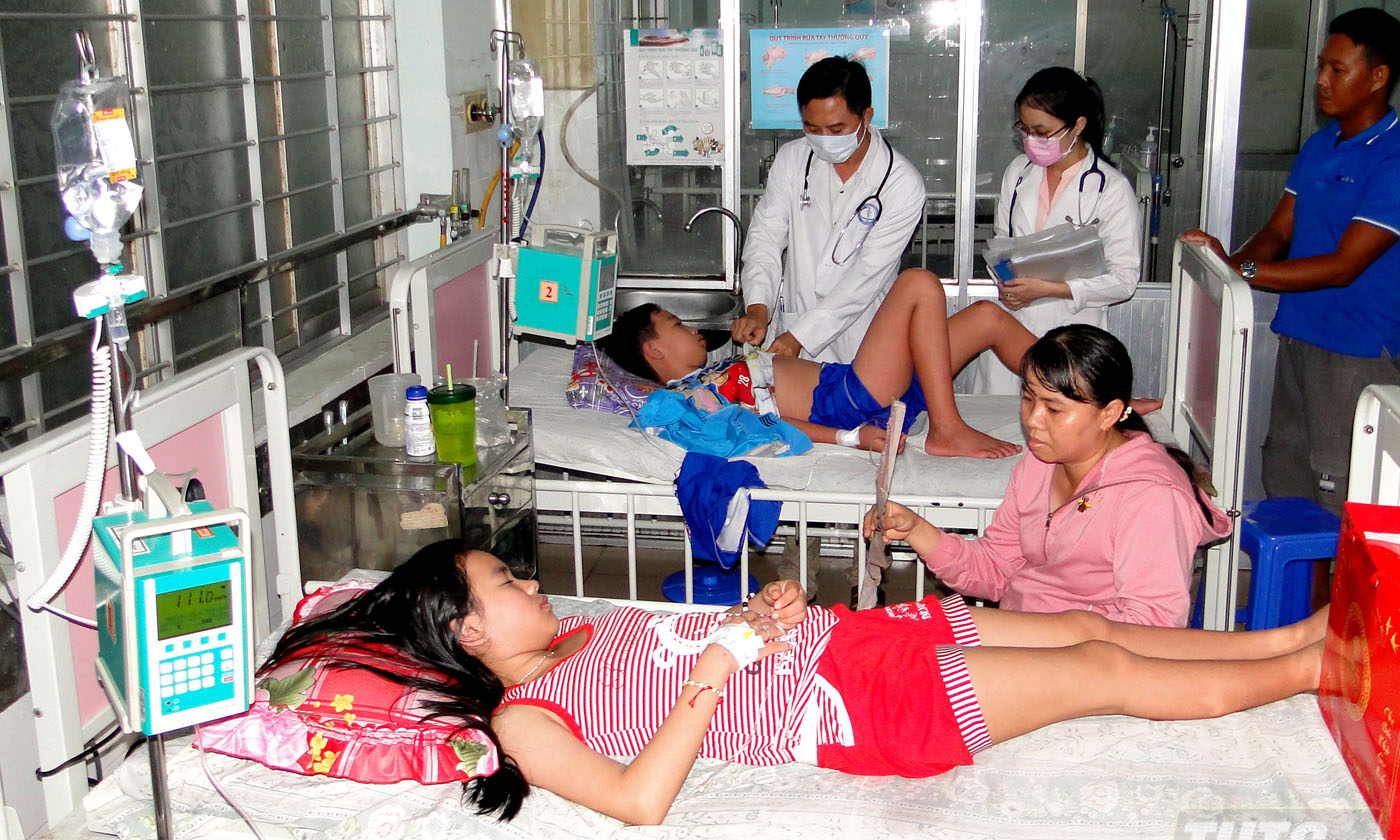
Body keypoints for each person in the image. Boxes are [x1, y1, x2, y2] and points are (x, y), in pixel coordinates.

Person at [261, 540, 1326, 825]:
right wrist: (722, 669)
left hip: (848, 643)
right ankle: (1309, 669)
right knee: (1098, 670)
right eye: (506, 582)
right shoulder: (529, 723)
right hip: (857, 710)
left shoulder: (586, 630)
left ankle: (1294, 635)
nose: (531, 583)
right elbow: (638, 803)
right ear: (466, 629)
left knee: (1088, 628)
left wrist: (746, 619)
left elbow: (688, 646)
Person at [1180, 7, 1400, 515]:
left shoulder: (1392, 158)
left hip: (1356, 354)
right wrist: (1225, 265)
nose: (1321, 80)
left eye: (1337, 69)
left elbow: (1344, 266)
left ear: (1377, 77)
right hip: (1300, 336)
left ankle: (1334, 598)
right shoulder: (1322, 145)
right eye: (1321, 66)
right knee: (1288, 480)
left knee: (1341, 492)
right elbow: (1281, 229)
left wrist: (1245, 272)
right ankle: (1300, 596)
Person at [867, 325, 1230, 627]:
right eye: (1028, 399)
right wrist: (916, 529)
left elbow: (1152, 626)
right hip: (1029, 635)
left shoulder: (1151, 498)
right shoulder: (1040, 464)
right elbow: (995, 571)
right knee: (890, 641)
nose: (1032, 421)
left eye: (1054, 409)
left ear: (1110, 414)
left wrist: (1033, 639)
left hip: (1089, 660)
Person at [606, 268, 1033, 458]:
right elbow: (767, 427)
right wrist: (848, 437)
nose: (694, 330)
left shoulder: (710, 376)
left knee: (987, 317)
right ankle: (947, 428)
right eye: (677, 325)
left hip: (858, 386)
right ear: (654, 352)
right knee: (918, 284)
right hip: (845, 400)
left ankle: (1086, 394)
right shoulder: (689, 399)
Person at [732, 56, 925, 364]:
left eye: (836, 129)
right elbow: (765, 237)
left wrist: (801, 336)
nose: (823, 140)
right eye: (812, 128)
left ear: (866, 116)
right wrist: (758, 307)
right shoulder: (792, 160)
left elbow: (867, 276)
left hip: (864, 335)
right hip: (793, 325)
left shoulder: (900, 183)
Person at [974, 67, 1142, 395]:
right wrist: (1007, 283)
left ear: (1078, 125)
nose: (1030, 140)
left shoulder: (1110, 188)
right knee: (999, 427)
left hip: (1072, 336)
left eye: (1042, 131)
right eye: (1025, 130)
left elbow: (1124, 281)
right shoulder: (1018, 173)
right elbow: (1000, 244)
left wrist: (1050, 288)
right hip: (1012, 326)